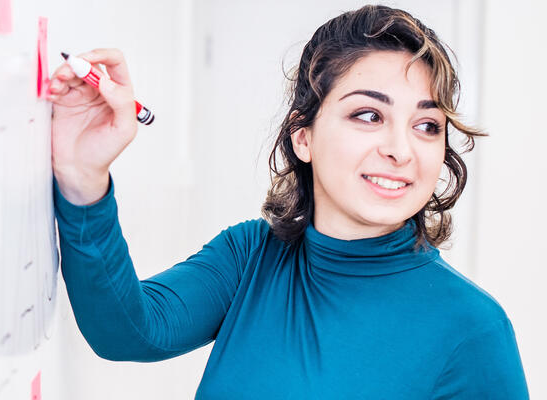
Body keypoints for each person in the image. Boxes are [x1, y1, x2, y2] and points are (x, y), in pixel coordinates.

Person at [45, 5, 529, 398]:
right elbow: (128, 331)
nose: (401, 150)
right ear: (304, 138)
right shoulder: (250, 257)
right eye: (368, 115)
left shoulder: (473, 331)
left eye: (426, 126)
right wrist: (83, 177)